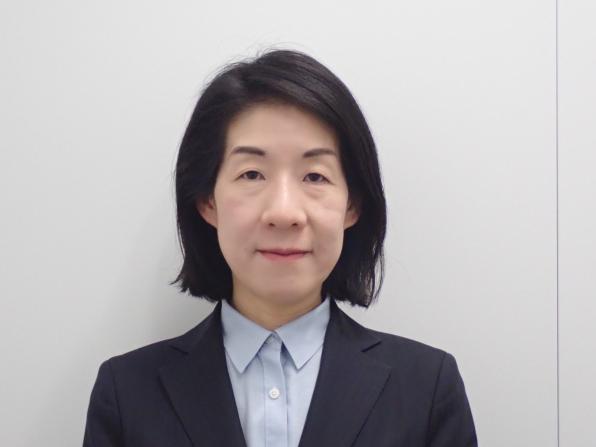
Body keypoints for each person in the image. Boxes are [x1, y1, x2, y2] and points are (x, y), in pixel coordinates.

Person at [83, 48, 478, 447]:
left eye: (315, 176)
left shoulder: (427, 390)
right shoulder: (126, 394)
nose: (284, 212)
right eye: (252, 174)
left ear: (353, 204)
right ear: (207, 201)